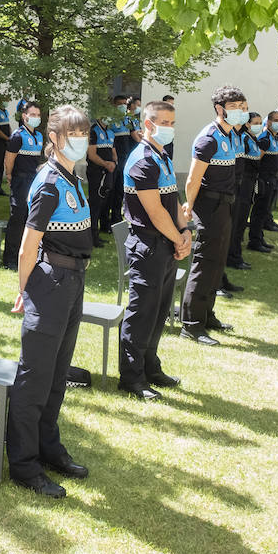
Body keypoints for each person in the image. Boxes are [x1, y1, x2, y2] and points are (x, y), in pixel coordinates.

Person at [6, 104, 94, 498]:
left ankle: (48, 447)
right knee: (35, 377)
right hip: (51, 283)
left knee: (57, 374)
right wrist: (24, 292)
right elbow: (28, 245)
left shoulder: (72, 177)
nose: (81, 141)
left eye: (84, 135)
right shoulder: (49, 182)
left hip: (73, 281)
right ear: (54, 139)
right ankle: (24, 465)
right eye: (73, 135)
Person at [120, 100, 189, 399]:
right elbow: (155, 212)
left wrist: (184, 232)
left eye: (173, 123)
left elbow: (172, 201)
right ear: (148, 124)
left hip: (166, 242)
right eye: (165, 123)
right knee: (141, 312)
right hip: (148, 244)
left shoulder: (162, 157)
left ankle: (151, 367)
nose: (169, 129)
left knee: (159, 310)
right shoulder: (142, 161)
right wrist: (177, 238)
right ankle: (132, 377)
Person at [179, 85, 247, 346]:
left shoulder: (230, 135)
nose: (240, 112)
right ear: (220, 109)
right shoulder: (209, 138)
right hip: (209, 208)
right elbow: (193, 179)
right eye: (234, 107)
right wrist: (189, 206)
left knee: (218, 263)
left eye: (242, 107)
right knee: (204, 263)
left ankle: (207, 315)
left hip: (226, 206)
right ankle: (192, 324)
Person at [1, 102, 45, 269]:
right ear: (24, 116)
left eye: (38, 115)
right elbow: (9, 159)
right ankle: (10, 258)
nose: (35, 118)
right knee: (17, 219)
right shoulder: (17, 136)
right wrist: (10, 176)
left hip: (34, 181)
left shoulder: (39, 136)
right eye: (32, 115)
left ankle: (27, 254)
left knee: (31, 218)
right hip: (20, 181)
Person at [227, 112, 263, 271]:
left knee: (241, 222)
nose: (259, 125)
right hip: (241, 183)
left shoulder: (247, 138)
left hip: (248, 183)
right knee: (236, 222)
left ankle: (235, 255)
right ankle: (233, 257)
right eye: (256, 122)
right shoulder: (240, 137)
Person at [247, 111, 278, 255]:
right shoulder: (265, 138)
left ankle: (259, 238)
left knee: (264, 211)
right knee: (259, 211)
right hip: (264, 180)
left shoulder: (273, 137)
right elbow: (258, 158)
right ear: (268, 122)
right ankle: (254, 241)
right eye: (275, 120)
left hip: (272, 179)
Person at [86, 112, 117, 238]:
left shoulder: (110, 132)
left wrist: (114, 163)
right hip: (96, 172)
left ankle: (101, 229)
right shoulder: (93, 131)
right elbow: (92, 155)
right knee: (95, 202)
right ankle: (92, 233)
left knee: (104, 202)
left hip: (108, 172)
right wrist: (105, 164)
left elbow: (113, 152)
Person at [107, 94, 135, 225]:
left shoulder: (128, 121)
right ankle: (106, 220)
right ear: (114, 105)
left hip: (125, 160)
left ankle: (116, 219)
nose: (123, 106)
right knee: (110, 191)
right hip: (114, 160)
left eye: (125, 104)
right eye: (120, 104)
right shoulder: (110, 121)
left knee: (120, 191)